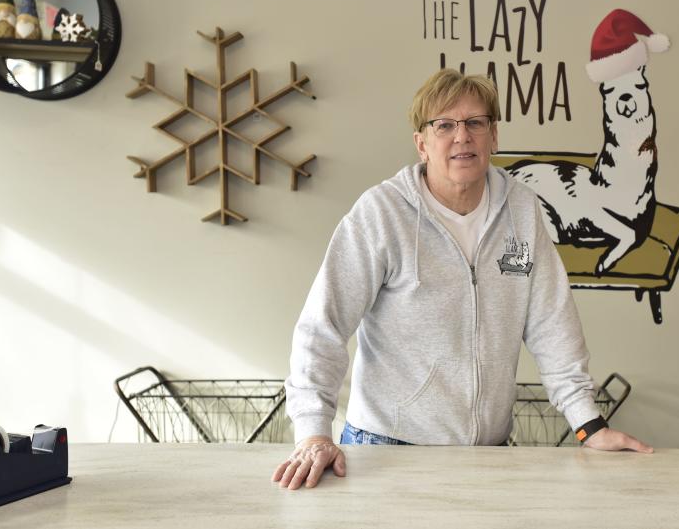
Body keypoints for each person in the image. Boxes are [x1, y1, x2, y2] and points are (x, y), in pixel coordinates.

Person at [271, 69, 652, 490]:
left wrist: (589, 424)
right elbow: (321, 327)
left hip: (489, 454)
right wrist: (312, 433)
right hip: (386, 451)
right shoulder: (381, 213)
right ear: (422, 143)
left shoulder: (521, 210)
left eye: (475, 123)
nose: (462, 136)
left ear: (494, 136)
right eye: (445, 125)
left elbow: (551, 324)